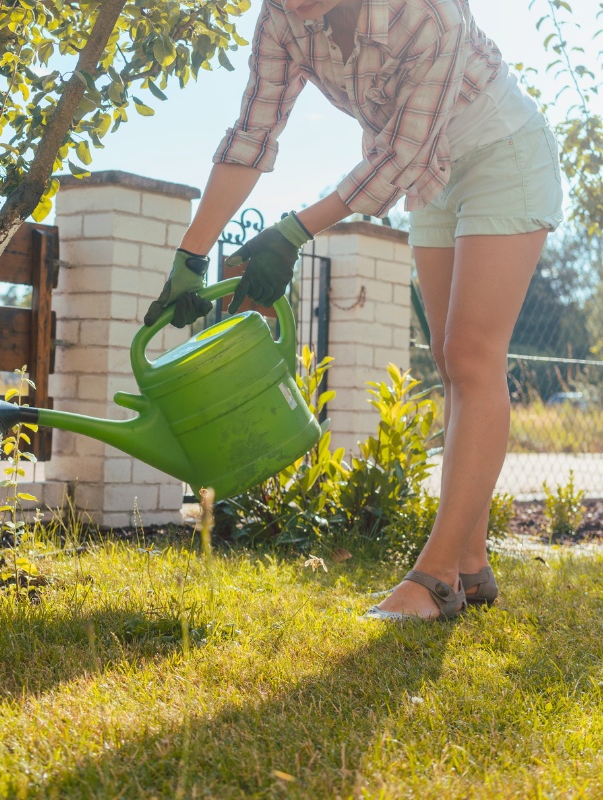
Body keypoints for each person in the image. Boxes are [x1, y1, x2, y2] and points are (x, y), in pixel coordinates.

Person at [144, 0, 563, 620]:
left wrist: (290, 233)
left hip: (501, 154)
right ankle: (472, 565)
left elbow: (400, 157)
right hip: (433, 180)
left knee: (473, 355)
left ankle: (436, 577)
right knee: (452, 365)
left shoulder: (428, 12)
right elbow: (254, 134)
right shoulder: (283, 19)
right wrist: (191, 253)